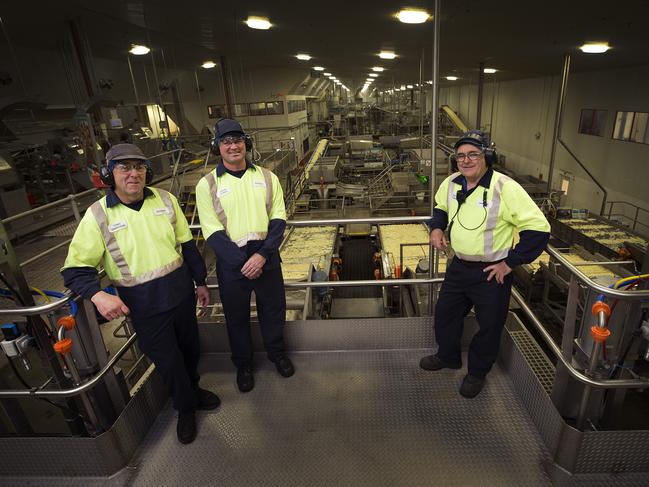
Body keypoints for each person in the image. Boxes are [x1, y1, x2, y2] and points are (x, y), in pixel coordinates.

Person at [61, 143, 219, 444]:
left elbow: (187, 246)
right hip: (145, 306)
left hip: (181, 294)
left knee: (190, 350)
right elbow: (74, 270)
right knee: (169, 361)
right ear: (110, 174)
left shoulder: (166, 199)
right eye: (124, 168)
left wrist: (200, 282)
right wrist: (98, 295)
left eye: (139, 167)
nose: (133, 174)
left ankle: (194, 391)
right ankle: (185, 408)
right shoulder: (98, 216)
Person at [420, 130, 550, 398]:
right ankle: (447, 357)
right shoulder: (452, 182)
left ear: (486, 157)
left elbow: (538, 229)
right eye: (460, 156)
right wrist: (436, 228)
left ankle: (477, 373)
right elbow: (440, 208)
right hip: (458, 267)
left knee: (489, 326)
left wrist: (510, 263)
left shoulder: (505, 188)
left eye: (473, 155)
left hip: (492, 272)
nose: (466, 161)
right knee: (445, 314)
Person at [195, 118, 294, 393]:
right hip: (232, 261)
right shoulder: (207, 185)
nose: (233, 146)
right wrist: (243, 263)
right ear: (218, 147)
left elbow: (278, 219)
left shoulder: (267, 177)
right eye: (226, 142)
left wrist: (261, 257)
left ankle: (277, 354)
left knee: (273, 311)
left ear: (246, 144)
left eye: (238, 140)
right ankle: (243, 365)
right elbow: (212, 231)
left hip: (266, 257)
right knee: (236, 317)